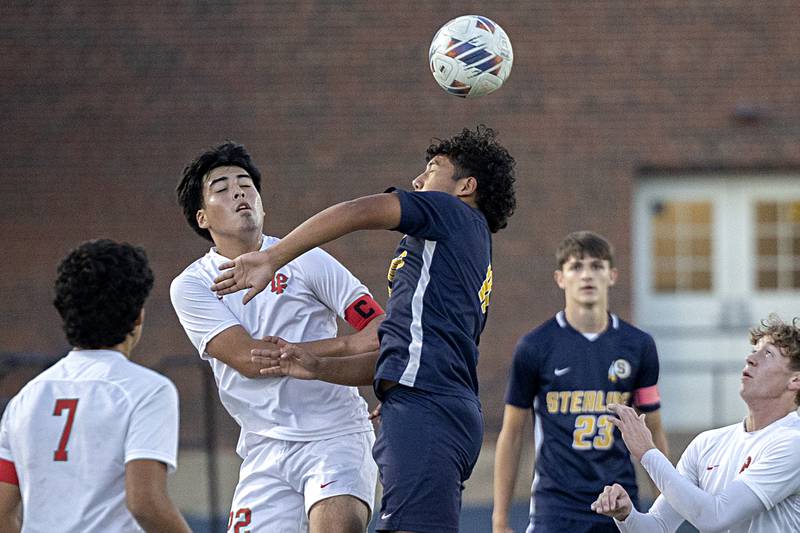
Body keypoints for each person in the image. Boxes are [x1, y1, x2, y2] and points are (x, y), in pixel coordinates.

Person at [210, 125, 517, 533]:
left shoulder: (451, 213)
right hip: (434, 405)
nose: (418, 180)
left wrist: (274, 256)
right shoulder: (456, 249)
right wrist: (316, 365)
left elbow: (357, 210)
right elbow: (392, 354)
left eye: (432, 169)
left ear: (466, 187)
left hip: (427, 410)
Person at [170, 141, 384, 533]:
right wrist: (345, 345)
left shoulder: (307, 258)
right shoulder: (192, 286)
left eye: (246, 184)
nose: (238, 191)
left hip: (334, 435)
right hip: (263, 448)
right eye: (221, 187)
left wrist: (343, 351)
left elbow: (379, 330)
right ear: (202, 218)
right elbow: (252, 361)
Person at [0, 239, 190, 533]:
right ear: (138, 314)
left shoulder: (25, 399)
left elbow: (2, 512)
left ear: (64, 312)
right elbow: (144, 503)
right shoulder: (149, 390)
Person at [492, 231, 669, 533]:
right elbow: (511, 433)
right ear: (560, 278)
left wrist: (667, 510)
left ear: (612, 275)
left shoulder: (639, 345)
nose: (587, 275)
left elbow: (652, 428)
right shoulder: (534, 346)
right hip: (556, 506)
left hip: (619, 501)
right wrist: (499, 520)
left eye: (597, 266)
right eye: (576, 267)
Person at [592, 315, 800, 532]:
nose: (751, 358)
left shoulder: (793, 443)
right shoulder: (708, 443)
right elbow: (657, 527)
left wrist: (647, 452)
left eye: (768, 354)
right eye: (754, 349)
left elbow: (716, 516)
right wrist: (627, 515)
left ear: (795, 380)